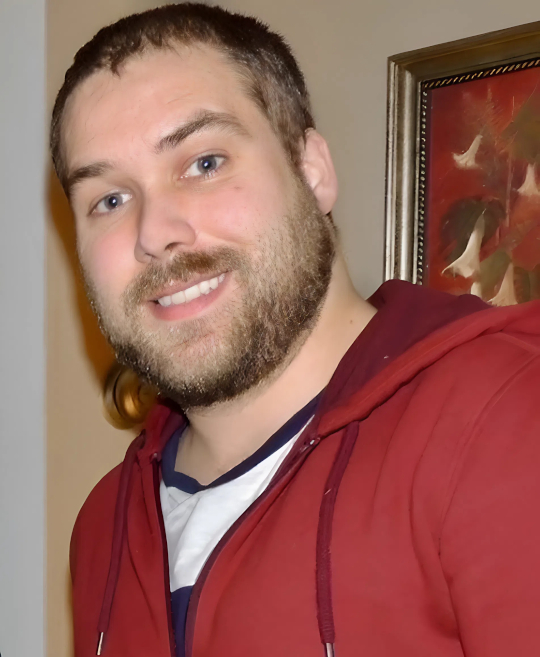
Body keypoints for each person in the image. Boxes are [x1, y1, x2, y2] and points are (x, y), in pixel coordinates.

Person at [50, 4, 540, 657]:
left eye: (204, 163)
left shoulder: (500, 423)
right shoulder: (104, 525)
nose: (154, 232)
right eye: (109, 199)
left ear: (313, 172)